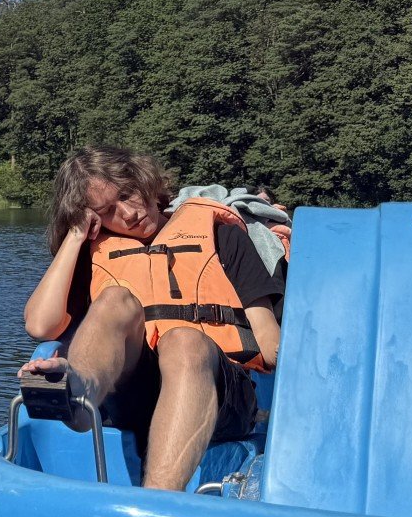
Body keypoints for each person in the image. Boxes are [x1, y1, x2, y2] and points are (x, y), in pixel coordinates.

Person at [20, 146, 283, 493]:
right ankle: (81, 399)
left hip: (222, 395)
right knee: (114, 298)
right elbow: (40, 326)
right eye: (107, 211)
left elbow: (268, 342)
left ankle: (159, 497)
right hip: (132, 396)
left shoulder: (221, 234)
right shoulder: (96, 252)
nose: (128, 213)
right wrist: (75, 235)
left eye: (127, 194)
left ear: (145, 180)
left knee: (183, 340)